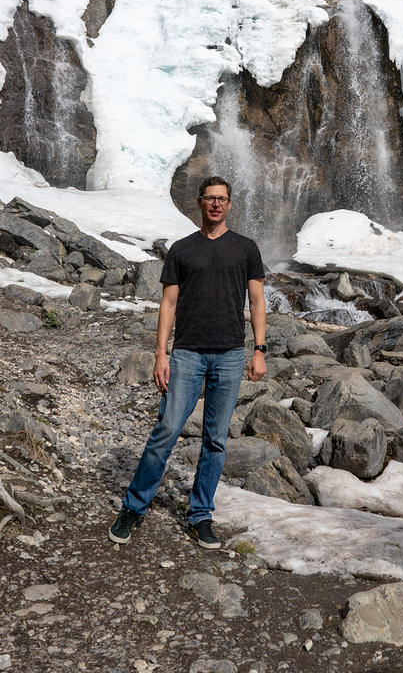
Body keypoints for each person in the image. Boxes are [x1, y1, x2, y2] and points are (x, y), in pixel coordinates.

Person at [108, 176, 266, 549]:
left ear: (230, 204)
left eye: (222, 199)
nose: (216, 204)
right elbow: (168, 304)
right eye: (210, 198)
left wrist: (260, 349)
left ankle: (200, 515)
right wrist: (160, 354)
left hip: (230, 354)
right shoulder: (181, 249)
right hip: (187, 353)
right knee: (166, 430)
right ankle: (134, 506)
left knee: (215, 440)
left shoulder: (246, 249)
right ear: (198, 203)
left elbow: (257, 302)